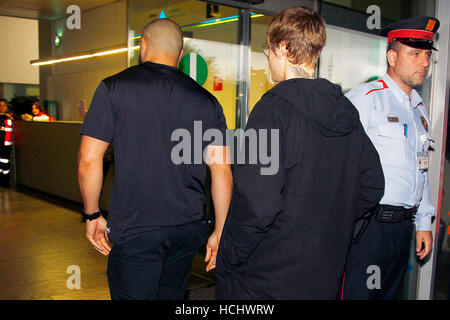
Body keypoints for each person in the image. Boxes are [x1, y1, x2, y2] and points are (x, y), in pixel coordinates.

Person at [215, 6, 384, 300]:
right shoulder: (346, 110)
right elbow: (373, 183)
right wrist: (332, 222)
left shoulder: (272, 109)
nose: (267, 57)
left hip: (266, 278)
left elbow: (257, 204)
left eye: (267, 49)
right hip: (324, 273)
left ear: (282, 48)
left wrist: (229, 255)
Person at [78, 18, 233, 300]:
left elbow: (89, 160)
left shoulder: (113, 88)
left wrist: (92, 213)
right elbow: (222, 170)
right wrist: (221, 230)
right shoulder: (207, 101)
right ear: (181, 55)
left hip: (137, 229)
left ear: (143, 45)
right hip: (188, 229)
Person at [341, 17, 439, 300]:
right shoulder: (365, 99)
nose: (424, 63)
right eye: (415, 54)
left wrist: (423, 223)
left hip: (402, 229)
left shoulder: (418, 110)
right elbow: (339, 163)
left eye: (427, 56)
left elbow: (421, 171)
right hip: (369, 228)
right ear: (392, 56)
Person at [0, 99, 13, 186]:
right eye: (0, 106)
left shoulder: (9, 118)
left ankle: (5, 179)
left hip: (6, 145)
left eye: (4, 105)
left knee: (5, 161)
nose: (2, 107)